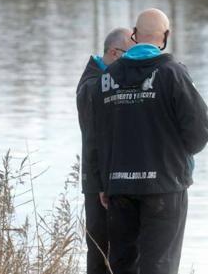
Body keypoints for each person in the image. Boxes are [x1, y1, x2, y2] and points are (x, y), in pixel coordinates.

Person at [91, 8, 208, 274]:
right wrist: (180, 153)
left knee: (123, 266)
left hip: (119, 186)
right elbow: (200, 131)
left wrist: (104, 181)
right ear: (165, 36)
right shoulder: (172, 74)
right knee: (159, 266)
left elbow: (98, 134)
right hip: (164, 185)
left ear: (134, 35)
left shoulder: (107, 78)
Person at [77, 28, 134, 274]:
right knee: (101, 255)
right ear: (114, 52)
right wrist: (102, 184)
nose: (135, 63)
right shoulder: (93, 86)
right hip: (99, 184)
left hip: (109, 180)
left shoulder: (104, 79)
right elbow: (93, 140)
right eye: (130, 56)